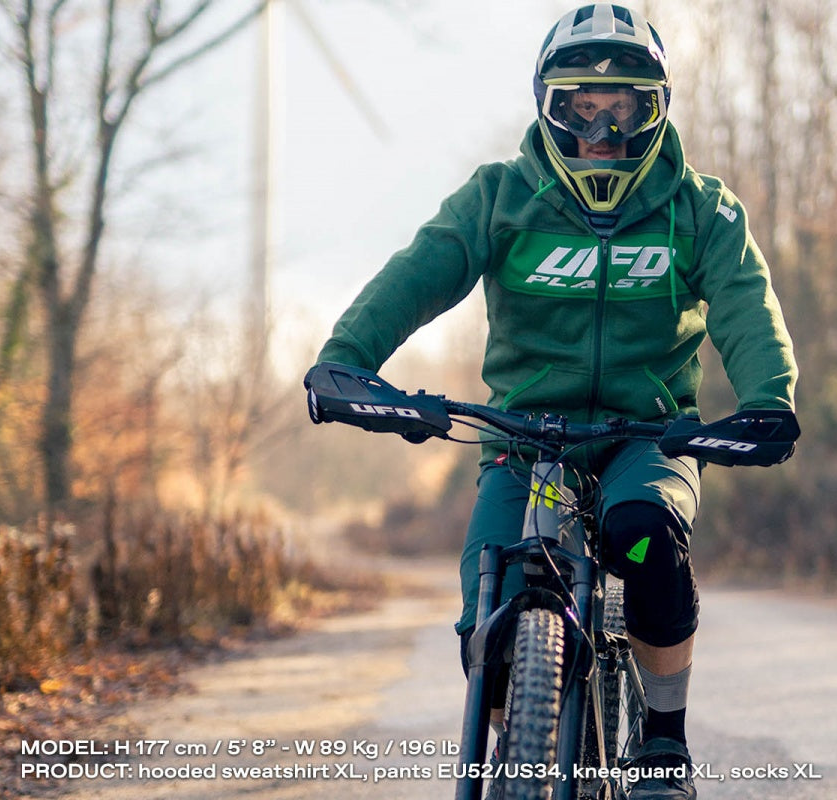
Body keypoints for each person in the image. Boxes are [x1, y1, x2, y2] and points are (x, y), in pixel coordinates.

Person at [307, 5, 798, 798]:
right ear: (547, 108)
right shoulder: (499, 197)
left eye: (623, 110)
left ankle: (663, 740)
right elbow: (418, 274)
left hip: (648, 437)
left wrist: (768, 398)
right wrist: (346, 362)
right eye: (579, 109)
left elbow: (746, 308)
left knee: (643, 534)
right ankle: (523, 751)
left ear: (656, 111)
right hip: (524, 441)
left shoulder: (700, 210)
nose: (600, 134)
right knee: (489, 613)